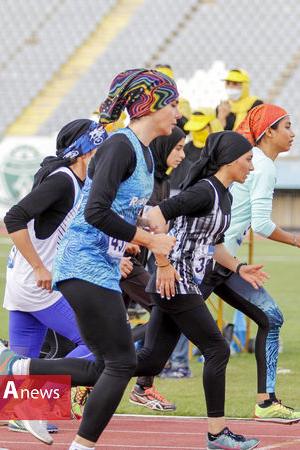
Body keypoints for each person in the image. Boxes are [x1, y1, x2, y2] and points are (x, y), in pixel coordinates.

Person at [0, 68, 179, 450]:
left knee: (106, 366)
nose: (178, 112)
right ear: (149, 105)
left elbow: (116, 209)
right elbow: (95, 212)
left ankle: (14, 369)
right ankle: (77, 441)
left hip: (99, 263)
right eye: (172, 103)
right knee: (121, 363)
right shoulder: (120, 146)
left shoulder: (143, 154)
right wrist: (148, 240)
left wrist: (143, 223)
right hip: (81, 263)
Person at [0, 120, 104, 450]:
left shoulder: (78, 182)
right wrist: (38, 265)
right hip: (35, 283)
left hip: (24, 282)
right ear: (83, 152)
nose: (104, 155)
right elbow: (14, 217)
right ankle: (37, 401)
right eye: (99, 149)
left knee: (17, 364)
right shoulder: (63, 181)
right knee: (100, 344)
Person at [140, 131, 265, 449]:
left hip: (181, 283)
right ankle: (217, 433)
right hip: (175, 282)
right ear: (230, 160)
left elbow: (215, 244)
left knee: (150, 362)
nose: (251, 167)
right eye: (248, 160)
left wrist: (238, 267)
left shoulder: (224, 194)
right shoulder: (205, 191)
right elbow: (155, 215)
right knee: (217, 349)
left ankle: (35, 370)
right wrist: (164, 264)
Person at [200, 104, 300, 424]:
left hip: (224, 261)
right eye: (287, 127)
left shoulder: (255, 161)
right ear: (268, 133)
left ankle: (266, 403)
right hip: (209, 260)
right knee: (160, 336)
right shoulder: (262, 166)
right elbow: (261, 224)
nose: (293, 134)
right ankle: (98, 376)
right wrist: (296, 240)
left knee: (271, 317)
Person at [127, 126, 186, 408]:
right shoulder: (144, 178)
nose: (183, 155)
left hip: (134, 261)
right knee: (166, 311)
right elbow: (114, 212)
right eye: (178, 148)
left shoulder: (160, 179)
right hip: (121, 263)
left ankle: (140, 384)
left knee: (105, 329)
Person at [169, 107, 222, 191]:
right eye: (195, 129)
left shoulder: (221, 149)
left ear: (212, 125)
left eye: (201, 128)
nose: (197, 132)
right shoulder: (186, 148)